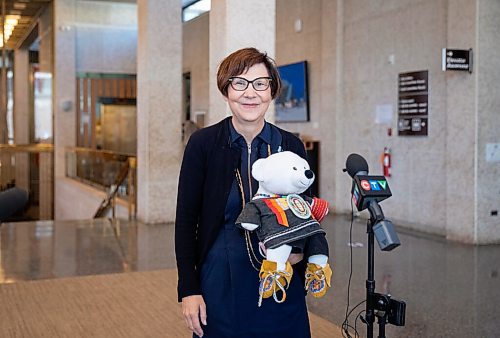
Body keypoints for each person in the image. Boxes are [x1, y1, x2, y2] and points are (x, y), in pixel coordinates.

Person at [175, 47, 312, 338]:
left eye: (260, 83)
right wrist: (189, 289)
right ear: (226, 90)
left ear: (272, 90)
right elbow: (186, 222)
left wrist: (298, 255)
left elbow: (306, 213)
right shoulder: (204, 144)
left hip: (279, 278)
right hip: (220, 282)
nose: (250, 93)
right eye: (239, 83)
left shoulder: (290, 145)